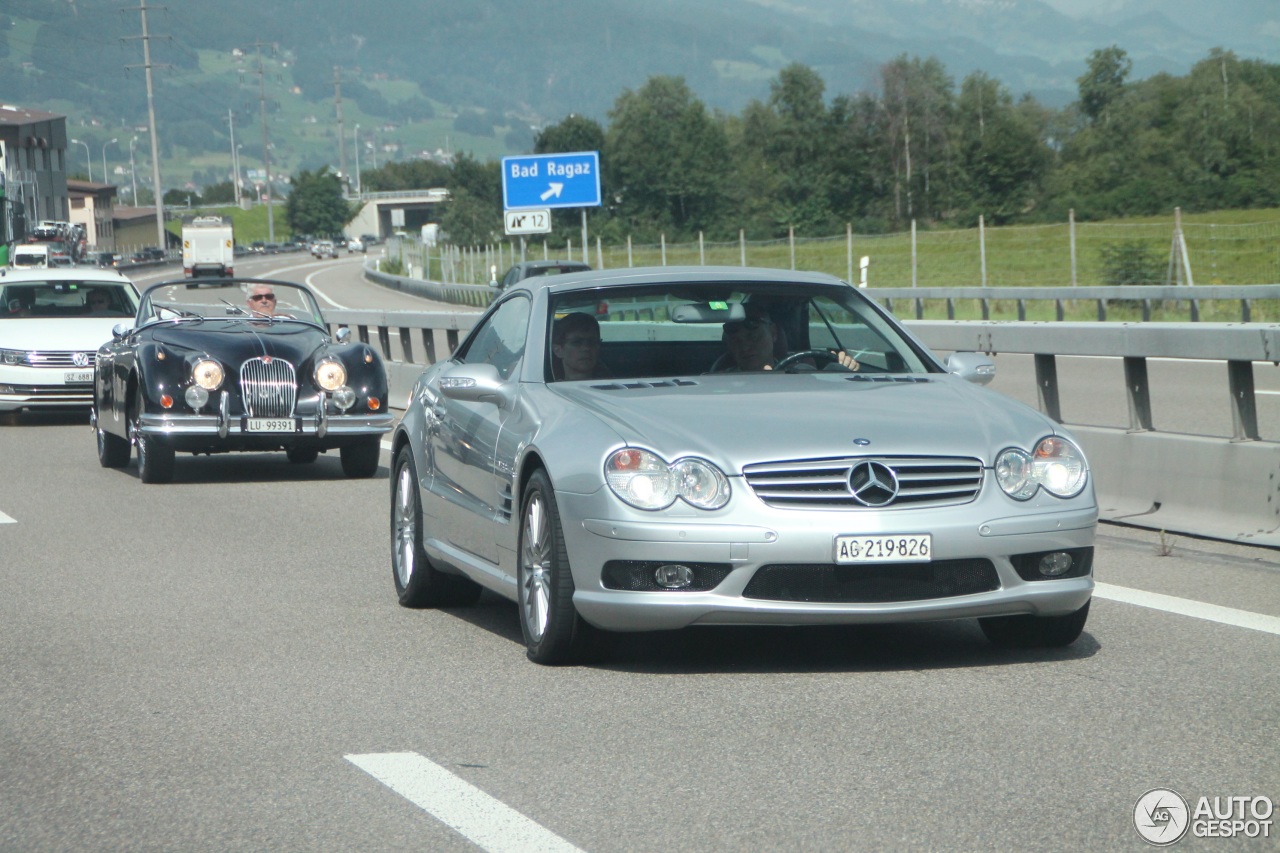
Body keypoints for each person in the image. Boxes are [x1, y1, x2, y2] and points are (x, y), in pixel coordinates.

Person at [719, 304, 860, 372]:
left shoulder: (800, 371)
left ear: (773, 334)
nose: (745, 347)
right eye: (736, 341)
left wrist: (847, 369)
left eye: (753, 337)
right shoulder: (720, 381)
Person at [551, 312, 612, 381]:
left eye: (592, 342)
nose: (586, 348)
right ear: (558, 350)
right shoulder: (545, 389)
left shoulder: (614, 388)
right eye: (576, 342)